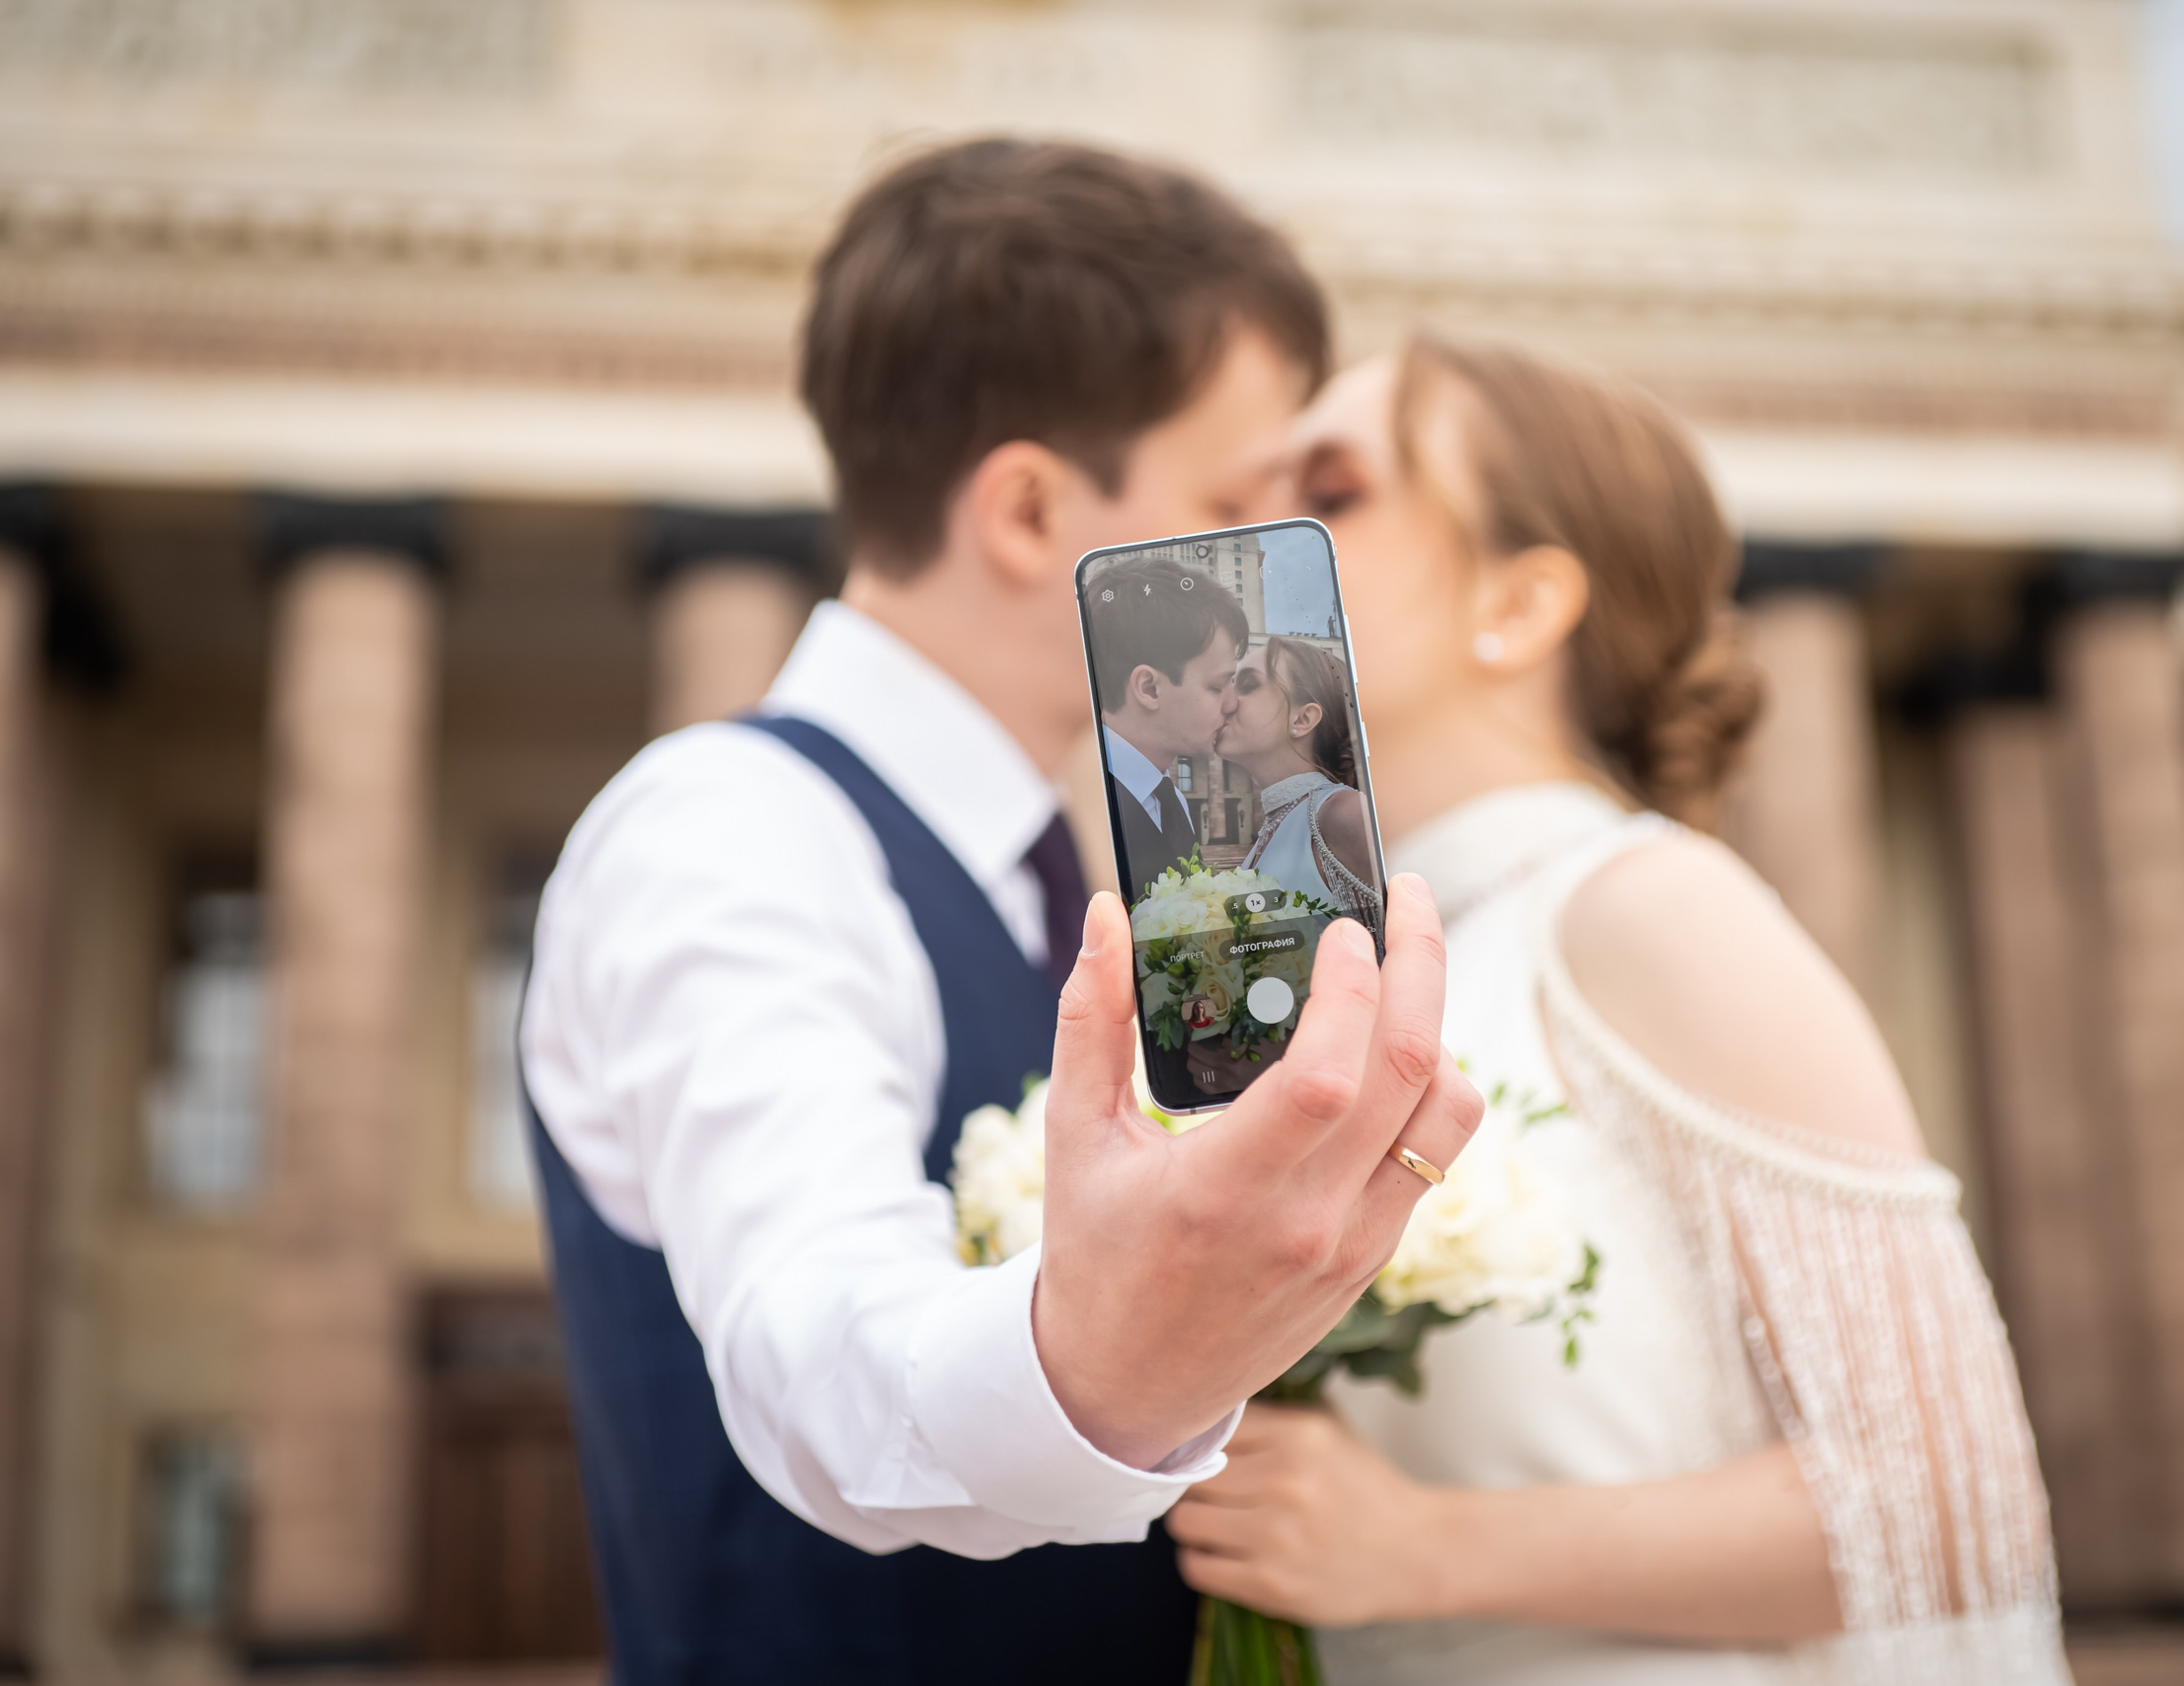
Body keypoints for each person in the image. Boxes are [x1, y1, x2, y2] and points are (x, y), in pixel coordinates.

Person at [520, 142, 1484, 1686]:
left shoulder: (1096, 871)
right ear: (1030, 511)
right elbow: (816, 1344)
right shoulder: (728, 830)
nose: (1272, 572)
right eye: (1230, 507)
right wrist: (1107, 1353)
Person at [1167, 336, 2070, 1684]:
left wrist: (1422, 1547)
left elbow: (1950, 1499)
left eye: (1332, 489)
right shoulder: (1322, 971)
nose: (1247, 536)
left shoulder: (1652, 908)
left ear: (1520, 601)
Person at [1087, 555, 1248, 900]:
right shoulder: (1082, 819)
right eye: (1217, 686)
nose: (1232, 703)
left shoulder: (1169, 798)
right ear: (1149, 688)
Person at [1217, 635, 1380, 923]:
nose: (1226, 701)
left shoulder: (1346, 812)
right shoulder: (1274, 826)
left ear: (1302, 719)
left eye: (1248, 686)